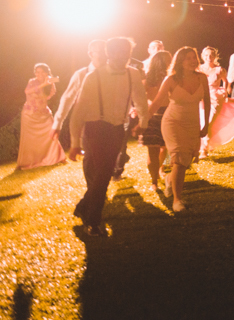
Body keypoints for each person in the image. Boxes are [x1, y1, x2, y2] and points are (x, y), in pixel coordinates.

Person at [69, 37, 149, 237]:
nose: (124, 57)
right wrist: (74, 143)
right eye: (119, 53)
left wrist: (144, 123)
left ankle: (83, 206)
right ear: (109, 54)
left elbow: (141, 100)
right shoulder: (93, 77)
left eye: (127, 53)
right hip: (95, 127)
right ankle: (93, 221)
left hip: (117, 129)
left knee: (104, 171)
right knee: (105, 172)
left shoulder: (133, 74)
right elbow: (78, 113)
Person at [146, 47, 211, 212]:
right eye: (188, 58)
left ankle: (169, 179)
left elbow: (208, 101)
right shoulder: (170, 80)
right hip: (172, 122)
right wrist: (142, 120)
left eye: (194, 58)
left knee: (184, 162)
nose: (192, 61)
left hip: (192, 123)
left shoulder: (202, 78)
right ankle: (177, 201)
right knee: (180, 160)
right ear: (180, 61)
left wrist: (206, 125)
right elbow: (157, 102)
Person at [53, 39, 107, 152]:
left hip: (114, 125)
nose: (105, 54)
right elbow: (67, 98)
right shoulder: (81, 74)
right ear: (90, 54)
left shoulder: (115, 73)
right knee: (93, 161)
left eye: (107, 51)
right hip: (90, 126)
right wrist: (58, 123)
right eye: (101, 51)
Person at [18, 63, 66, 169]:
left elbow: (50, 93)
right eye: (37, 72)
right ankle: (25, 162)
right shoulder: (32, 82)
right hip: (29, 114)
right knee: (29, 140)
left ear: (46, 73)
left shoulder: (50, 82)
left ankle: (59, 157)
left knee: (51, 134)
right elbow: (27, 91)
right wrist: (42, 85)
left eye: (42, 72)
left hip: (44, 113)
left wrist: (49, 82)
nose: (39, 74)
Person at [139, 50, 173, 189]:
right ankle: (154, 180)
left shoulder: (174, 78)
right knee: (153, 150)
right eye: (168, 60)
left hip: (171, 114)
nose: (171, 62)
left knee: (166, 148)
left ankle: (161, 169)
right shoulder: (148, 80)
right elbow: (140, 96)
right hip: (153, 115)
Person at [198, 46, 228, 156]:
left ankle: (203, 149)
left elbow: (226, 81)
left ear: (215, 56)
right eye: (206, 55)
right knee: (202, 123)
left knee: (209, 123)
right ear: (202, 56)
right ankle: (204, 146)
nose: (208, 57)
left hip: (215, 98)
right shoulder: (199, 69)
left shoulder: (219, 69)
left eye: (211, 55)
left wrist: (225, 92)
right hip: (202, 99)